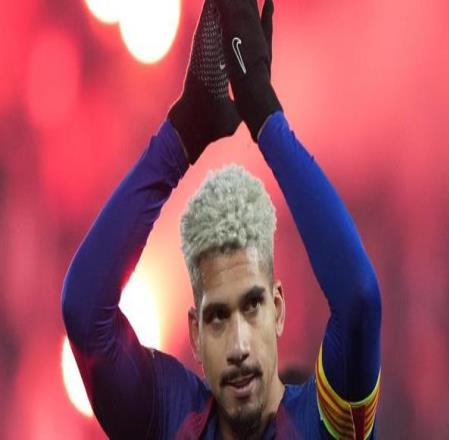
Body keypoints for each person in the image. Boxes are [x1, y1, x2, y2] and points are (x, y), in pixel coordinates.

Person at [61, 0, 381, 438]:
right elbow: (83, 310)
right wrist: (183, 133)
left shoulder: (325, 425)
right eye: (217, 317)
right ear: (194, 333)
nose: (238, 345)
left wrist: (265, 116)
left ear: (278, 308)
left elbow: (359, 299)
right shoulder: (169, 415)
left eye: (252, 306)